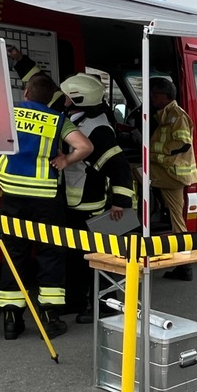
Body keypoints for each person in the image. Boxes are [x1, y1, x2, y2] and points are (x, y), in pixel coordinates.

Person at [0, 74, 93, 340]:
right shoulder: (57, 119)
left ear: (26, 92)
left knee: (14, 252)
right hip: (46, 197)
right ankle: (50, 319)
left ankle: (11, 320)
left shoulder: (9, 113)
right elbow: (85, 146)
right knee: (50, 252)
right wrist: (66, 161)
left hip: (12, 193)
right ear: (50, 98)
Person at [57, 73, 138, 323]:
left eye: (66, 95)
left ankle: (105, 305)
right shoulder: (79, 119)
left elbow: (120, 168)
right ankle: (75, 300)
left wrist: (120, 203)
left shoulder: (98, 129)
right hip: (75, 203)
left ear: (78, 99)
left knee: (100, 258)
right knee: (75, 256)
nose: (62, 98)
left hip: (92, 204)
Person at [149, 77, 197, 281]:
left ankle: (184, 266)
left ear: (166, 96)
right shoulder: (165, 115)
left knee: (178, 221)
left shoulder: (177, 116)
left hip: (172, 174)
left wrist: (156, 153)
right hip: (164, 172)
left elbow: (183, 143)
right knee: (174, 218)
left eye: (155, 94)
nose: (152, 97)